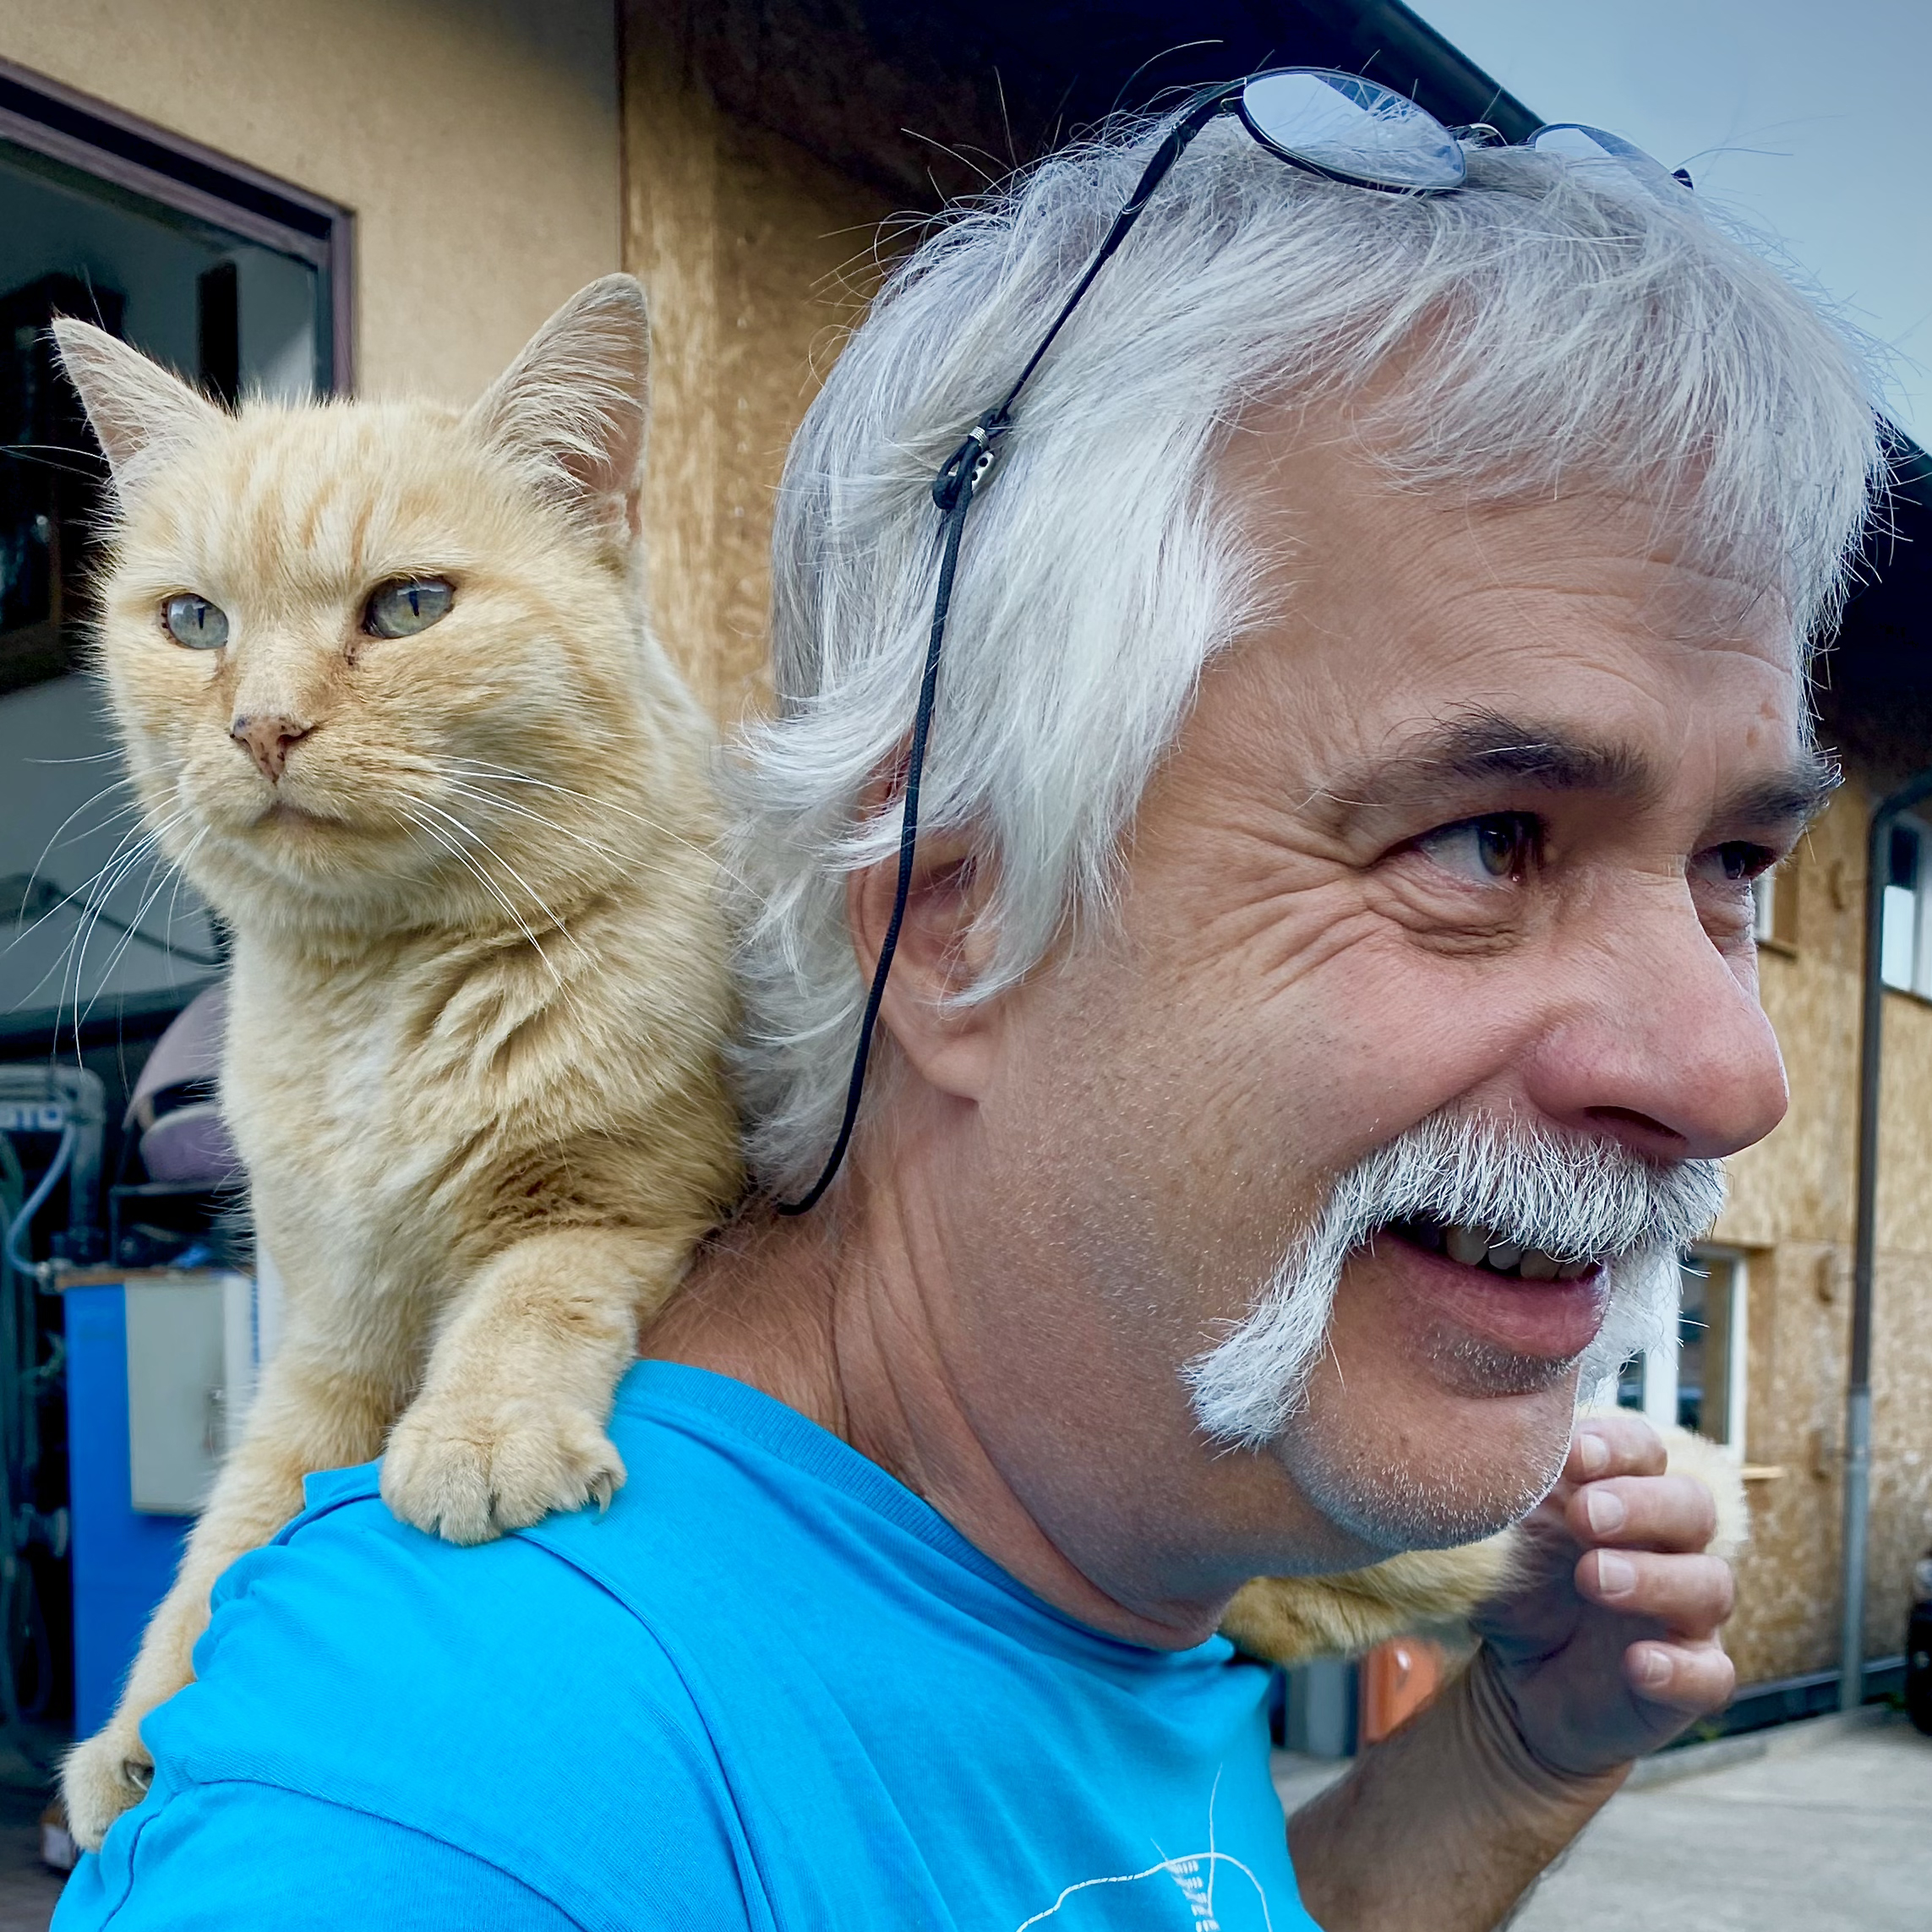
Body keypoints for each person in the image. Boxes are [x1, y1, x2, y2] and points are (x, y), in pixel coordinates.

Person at [56, 81, 1879, 1932]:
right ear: (949, 915)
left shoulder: (1107, 1562)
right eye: (1491, 838)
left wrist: (1511, 1759)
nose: (1733, 1070)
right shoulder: (445, 1804)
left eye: (1741, 864)